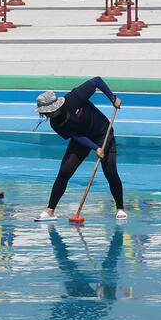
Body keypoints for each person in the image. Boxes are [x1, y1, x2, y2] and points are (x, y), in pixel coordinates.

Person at [33, 77, 125, 221]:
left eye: (48, 111)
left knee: (110, 170)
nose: (47, 115)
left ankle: (120, 209)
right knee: (64, 171)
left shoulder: (75, 97)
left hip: (102, 132)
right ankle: (50, 211)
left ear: (56, 106)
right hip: (83, 139)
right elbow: (76, 137)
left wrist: (113, 98)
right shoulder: (55, 124)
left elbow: (97, 81)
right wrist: (96, 148)